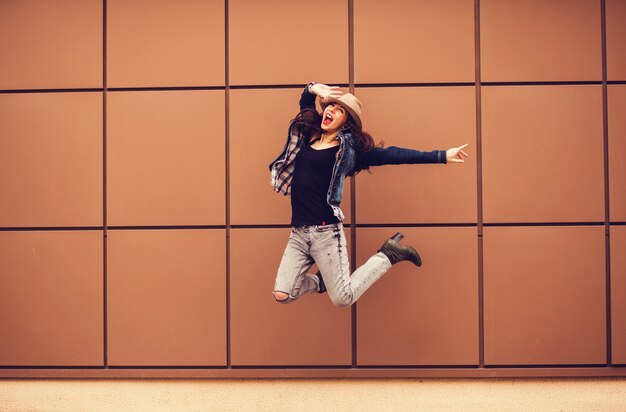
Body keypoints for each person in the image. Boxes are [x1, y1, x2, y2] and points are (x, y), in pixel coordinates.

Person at [268, 82, 468, 308]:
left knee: (342, 299)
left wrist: (441, 155)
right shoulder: (309, 136)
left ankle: (388, 255)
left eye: (340, 110)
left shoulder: (350, 153)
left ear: (346, 122)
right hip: (299, 232)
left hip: (326, 233)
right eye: (330, 106)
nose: (331, 110)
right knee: (282, 294)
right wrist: (315, 90)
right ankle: (323, 282)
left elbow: (394, 155)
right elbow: (305, 102)